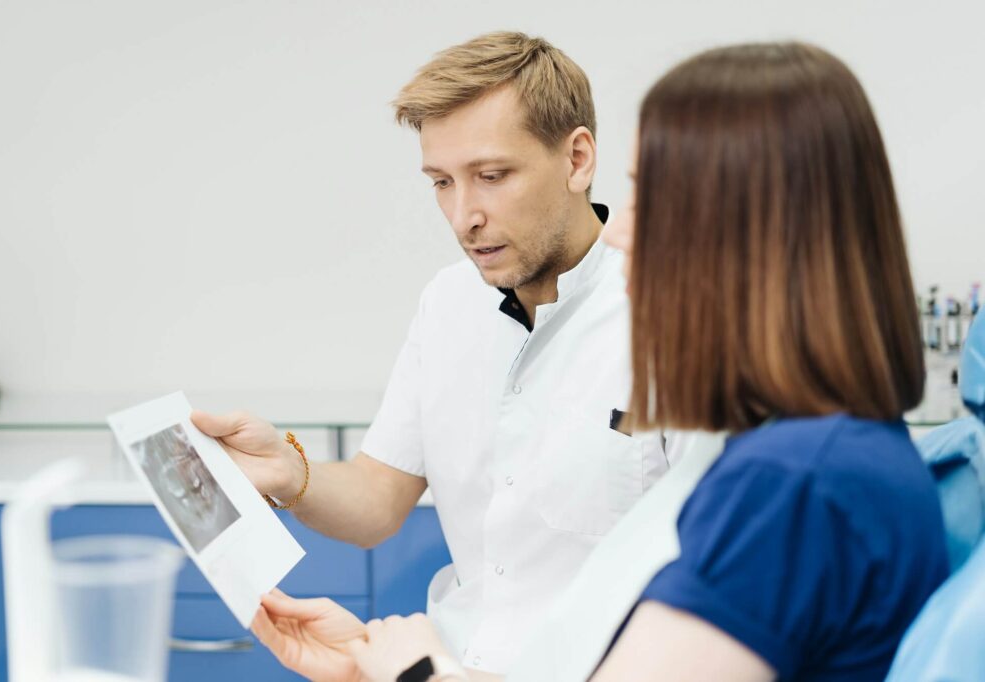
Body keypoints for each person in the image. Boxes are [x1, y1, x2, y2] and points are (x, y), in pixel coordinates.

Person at [248, 42, 950, 682]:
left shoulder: (792, 479)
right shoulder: (800, 454)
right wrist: (385, 660)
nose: (624, 234)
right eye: (442, 182)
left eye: (492, 175)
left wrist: (416, 674)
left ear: (753, 232)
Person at [191, 31, 680, 674]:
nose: (462, 216)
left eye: (491, 176)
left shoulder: (676, 317)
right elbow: (376, 497)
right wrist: (290, 471)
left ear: (578, 158)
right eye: (442, 182)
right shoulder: (448, 302)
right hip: (436, 664)